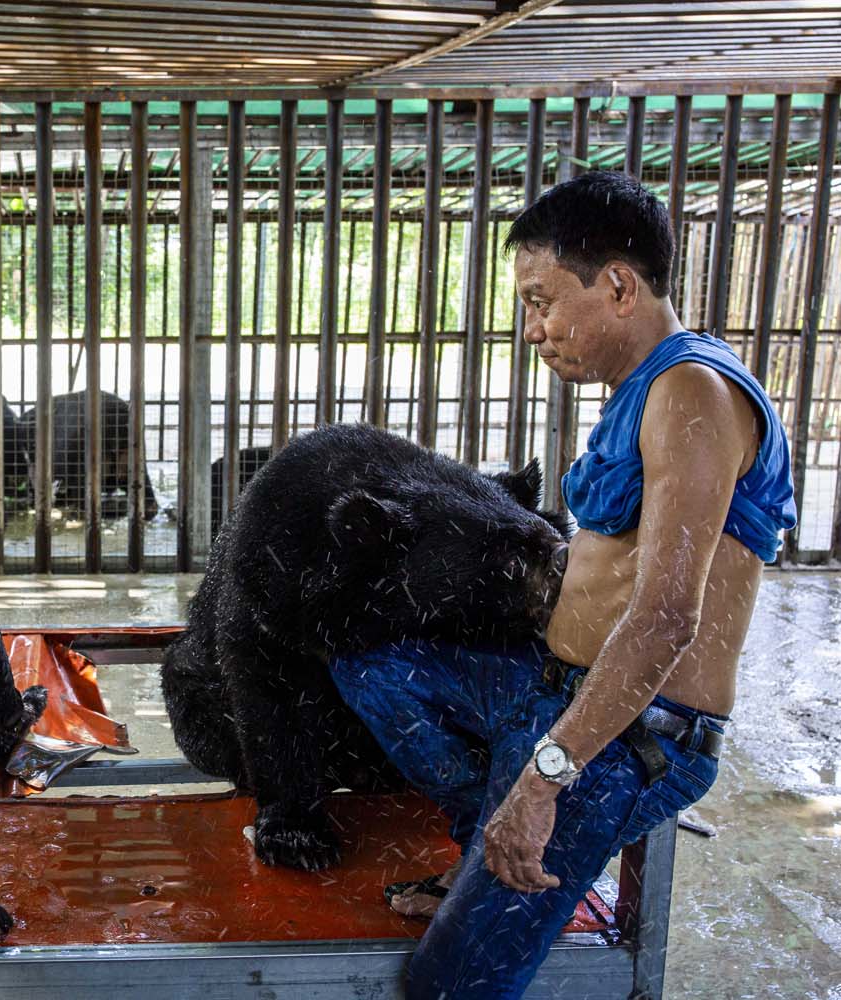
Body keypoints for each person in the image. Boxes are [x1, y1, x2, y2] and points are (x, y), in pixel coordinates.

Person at [328, 170, 796, 999]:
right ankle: (488, 857)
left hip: (629, 741)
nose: (532, 329)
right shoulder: (641, 388)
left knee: (449, 983)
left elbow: (662, 620)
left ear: (617, 284)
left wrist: (543, 784)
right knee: (371, 663)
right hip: (556, 689)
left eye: (542, 300)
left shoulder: (692, 393)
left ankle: (510, 859)